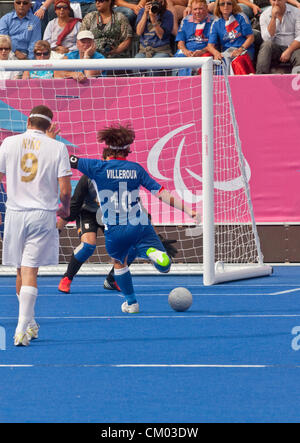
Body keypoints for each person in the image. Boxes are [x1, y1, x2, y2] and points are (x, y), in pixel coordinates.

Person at [69, 123, 200, 314]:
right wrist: (188, 210)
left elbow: (69, 159)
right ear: (127, 151)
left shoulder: (96, 166)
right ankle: (152, 254)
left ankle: (132, 303)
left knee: (119, 263)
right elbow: (161, 193)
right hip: (140, 224)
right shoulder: (136, 169)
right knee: (165, 268)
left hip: (115, 229)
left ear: (107, 149)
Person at [0, 105, 72, 346]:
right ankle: (22, 327)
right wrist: (66, 208)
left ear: (28, 121)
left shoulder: (9, 143)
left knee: (20, 270)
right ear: (49, 125)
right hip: (41, 214)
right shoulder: (58, 147)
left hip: (15, 213)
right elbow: (64, 189)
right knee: (30, 270)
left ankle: (28, 322)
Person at [57, 174, 179, 293]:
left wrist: (157, 238)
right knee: (88, 245)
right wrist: (57, 231)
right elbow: (73, 206)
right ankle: (67, 277)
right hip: (87, 213)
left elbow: (140, 214)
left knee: (131, 246)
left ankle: (112, 280)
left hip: (111, 215)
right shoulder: (88, 178)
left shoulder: (124, 182)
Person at [207, 0, 255, 71]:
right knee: (218, 63)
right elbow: (210, 46)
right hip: (227, 53)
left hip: (244, 50)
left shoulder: (241, 17)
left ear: (233, 5)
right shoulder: (216, 23)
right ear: (218, 6)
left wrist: (240, 49)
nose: (226, 6)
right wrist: (216, 53)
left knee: (237, 62)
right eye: (222, 4)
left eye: (229, 3)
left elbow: (251, 38)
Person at [256, 0, 300, 73]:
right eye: (273, 0)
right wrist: (273, 18)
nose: (276, 3)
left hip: (293, 48)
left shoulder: (297, 12)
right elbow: (266, 39)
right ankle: (260, 78)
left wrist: (289, 51)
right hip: (276, 49)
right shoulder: (264, 15)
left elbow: (299, 37)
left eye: (279, 0)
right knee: (267, 45)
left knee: (299, 52)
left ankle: (297, 80)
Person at [174, 0, 213, 75]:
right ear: (191, 10)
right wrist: (186, 51)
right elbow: (180, 42)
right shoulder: (185, 20)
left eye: (200, 9)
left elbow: (213, 44)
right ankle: (182, 84)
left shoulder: (214, 20)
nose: (198, 12)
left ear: (206, 8)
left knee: (206, 58)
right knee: (180, 58)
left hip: (205, 51)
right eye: (195, 9)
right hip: (188, 51)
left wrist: (201, 51)